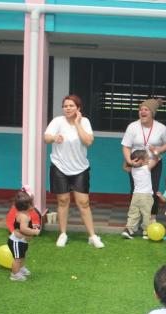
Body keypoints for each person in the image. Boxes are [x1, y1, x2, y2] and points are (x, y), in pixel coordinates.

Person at [44, 94, 104, 249]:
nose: (67, 108)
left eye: (71, 106)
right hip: (59, 167)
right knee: (63, 201)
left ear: (78, 108)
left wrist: (77, 124)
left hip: (80, 169)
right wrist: (54, 138)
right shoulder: (57, 121)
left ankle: (92, 236)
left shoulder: (84, 122)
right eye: (65, 106)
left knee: (83, 203)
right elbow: (46, 137)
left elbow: (89, 141)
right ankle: (63, 234)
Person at [121, 98, 166, 223]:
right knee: (136, 189)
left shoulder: (161, 128)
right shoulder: (132, 127)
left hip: (154, 163)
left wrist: (159, 149)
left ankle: (152, 217)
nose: (142, 112)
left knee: (152, 189)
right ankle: (136, 217)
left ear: (152, 113)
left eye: (146, 110)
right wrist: (129, 161)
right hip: (136, 163)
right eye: (140, 109)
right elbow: (126, 146)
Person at [121, 149, 159, 239]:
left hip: (136, 195)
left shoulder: (133, 169)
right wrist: (154, 151)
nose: (149, 159)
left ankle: (128, 230)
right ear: (141, 160)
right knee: (146, 215)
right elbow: (156, 159)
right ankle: (146, 232)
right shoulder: (147, 168)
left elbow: (124, 167)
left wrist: (130, 161)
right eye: (147, 158)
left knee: (133, 214)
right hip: (146, 196)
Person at [8, 190, 41, 281]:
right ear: (27, 206)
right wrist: (34, 231)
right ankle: (14, 275)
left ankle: (21, 269)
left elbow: (24, 226)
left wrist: (32, 226)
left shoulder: (25, 214)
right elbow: (23, 229)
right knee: (17, 258)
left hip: (22, 241)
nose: (33, 205)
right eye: (32, 203)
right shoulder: (24, 216)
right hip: (16, 241)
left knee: (22, 256)